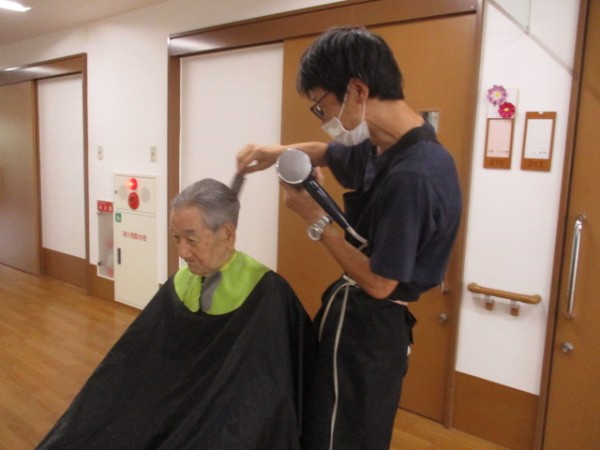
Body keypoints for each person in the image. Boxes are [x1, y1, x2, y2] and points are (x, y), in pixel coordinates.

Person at [237, 27, 462, 450]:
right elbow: (327, 153)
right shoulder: (383, 144)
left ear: (357, 90)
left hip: (370, 332)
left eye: (321, 106)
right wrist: (276, 152)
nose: (323, 120)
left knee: (341, 437)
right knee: (323, 422)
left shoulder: (414, 176)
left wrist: (316, 219)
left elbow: (380, 283)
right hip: (352, 316)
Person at [37, 178, 316, 450]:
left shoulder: (268, 293)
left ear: (227, 235)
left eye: (191, 239)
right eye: (176, 238)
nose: (182, 252)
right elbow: (134, 366)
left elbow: (272, 390)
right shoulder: (179, 285)